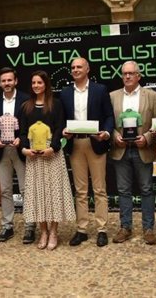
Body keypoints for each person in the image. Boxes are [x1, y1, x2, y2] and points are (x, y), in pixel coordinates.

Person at [60, 57, 114, 247]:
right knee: (80, 191)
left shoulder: (100, 90)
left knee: (99, 189)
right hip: (75, 144)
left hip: (96, 143)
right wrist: (63, 131)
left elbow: (109, 115)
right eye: (73, 67)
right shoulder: (65, 93)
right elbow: (62, 119)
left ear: (87, 69)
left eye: (79, 67)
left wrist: (106, 133)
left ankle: (102, 229)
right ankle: (82, 229)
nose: (75, 70)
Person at [19, 70, 75, 250]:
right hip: (33, 157)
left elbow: (60, 128)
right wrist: (25, 149)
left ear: (46, 85)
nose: (36, 86)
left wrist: (54, 148)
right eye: (34, 83)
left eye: (40, 83)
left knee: (53, 193)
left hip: (52, 155)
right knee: (38, 194)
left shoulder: (55, 104)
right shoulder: (26, 106)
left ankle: (53, 231)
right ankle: (43, 231)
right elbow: (22, 131)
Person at [109, 61, 156, 245]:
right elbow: (109, 122)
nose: (128, 76)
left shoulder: (152, 96)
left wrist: (147, 137)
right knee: (123, 190)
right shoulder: (112, 96)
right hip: (120, 149)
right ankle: (125, 227)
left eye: (131, 73)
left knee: (146, 189)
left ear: (139, 76)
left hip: (143, 148)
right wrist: (115, 136)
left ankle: (148, 229)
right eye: (124, 73)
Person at [0, 67, 35, 244]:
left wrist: (21, 140)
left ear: (15, 81)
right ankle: (7, 225)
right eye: (3, 81)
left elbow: (30, 125)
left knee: (25, 189)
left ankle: (30, 226)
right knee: (5, 190)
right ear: (0, 83)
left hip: (20, 150)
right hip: (2, 151)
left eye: (10, 80)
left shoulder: (26, 99)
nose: (7, 83)